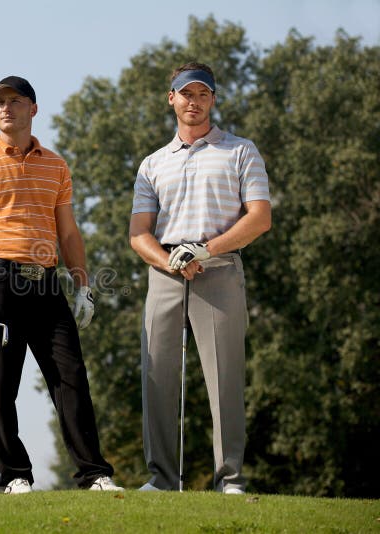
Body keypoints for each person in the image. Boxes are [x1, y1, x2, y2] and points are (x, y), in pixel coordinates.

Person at [0, 76, 120, 494]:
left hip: (47, 285)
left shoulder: (56, 165)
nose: (6, 108)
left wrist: (82, 286)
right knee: (0, 387)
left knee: (71, 379)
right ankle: (15, 476)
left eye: (15, 101)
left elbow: (68, 234)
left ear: (33, 108)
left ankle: (94, 473)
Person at [129, 62, 272, 494]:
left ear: (213, 99)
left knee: (224, 378)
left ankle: (229, 479)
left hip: (219, 269)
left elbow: (260, 219)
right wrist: (170, 259)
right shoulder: (153, 164)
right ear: (170, 98)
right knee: (157, 378)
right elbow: (139, 234)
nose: (194, 102)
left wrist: (207, 249)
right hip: (166, 274)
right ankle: (161, 478)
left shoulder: (241, 151)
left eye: (202, 94)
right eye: (185, 94)